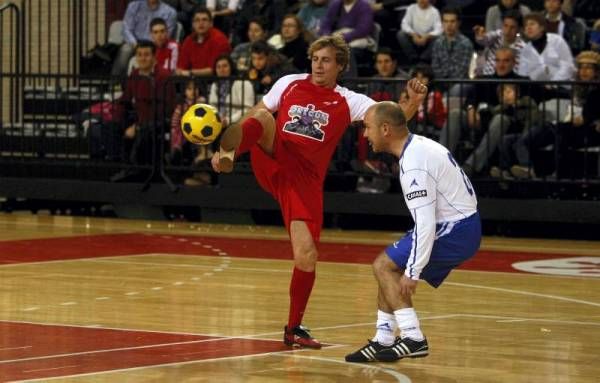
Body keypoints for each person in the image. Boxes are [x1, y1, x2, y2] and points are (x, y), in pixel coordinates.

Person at [210, 35, 427, 348]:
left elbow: (388, 121)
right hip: (274, 156)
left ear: (340, 66)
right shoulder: (290, 83)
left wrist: (414, 103)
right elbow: (256, 114)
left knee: (307, 256)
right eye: (315, 59)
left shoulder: (348, 100)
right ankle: (229, 154)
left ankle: (293, 329)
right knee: (260, 116)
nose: (318, 66)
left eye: (326, 61)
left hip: (304, 181)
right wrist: (224, 149)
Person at [345, 101, 481, 363]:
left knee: (384, 266)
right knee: (388, 266)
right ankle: (382, 340)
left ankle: (413, 337)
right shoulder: (417, 145)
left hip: (456, 229)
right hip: (458, 224)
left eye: (367, 128)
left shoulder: (414, 163)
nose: (364, 135)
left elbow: (426, 223)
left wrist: (413, 272)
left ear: (385, 129)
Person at [176, 6, 231, 77]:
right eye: (197, 20)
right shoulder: (188, 40)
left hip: (213, 82)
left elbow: (215, 70)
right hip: (192, 83)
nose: (201, 23)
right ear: (193, 24)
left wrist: (190, 73)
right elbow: (181, 67)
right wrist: (181, 72)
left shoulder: (220, 39)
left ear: (211, 23)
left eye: (204, 20)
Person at [396, 0, 442, 65]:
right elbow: (404, 24)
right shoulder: (411, 8)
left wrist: (427, 36)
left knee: (440, 37)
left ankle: (424, 59)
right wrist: (413, 34)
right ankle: (413, 58)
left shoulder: (434, 11)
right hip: (413, 39)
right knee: (400, 34)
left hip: (428, 40)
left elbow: (439, 29)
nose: (422, 0)